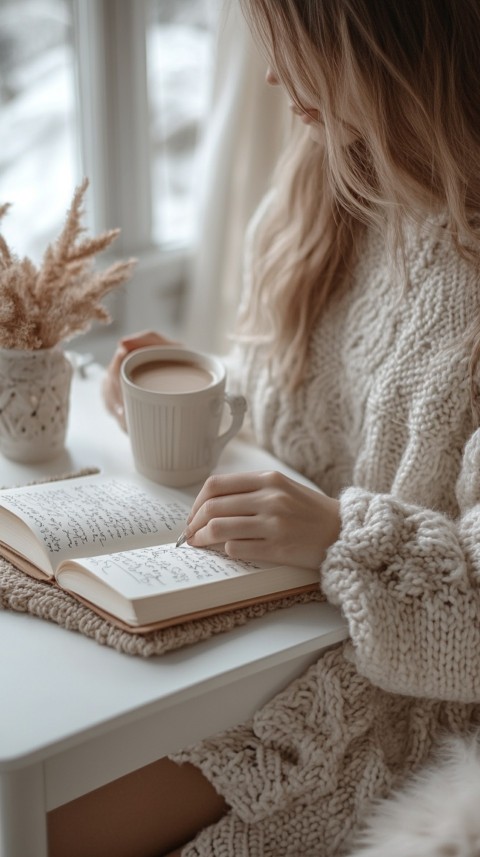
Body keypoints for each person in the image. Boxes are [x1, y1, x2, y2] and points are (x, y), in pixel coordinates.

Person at [48, 0, 480, 855]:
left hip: (379, 706)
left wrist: (336, 534)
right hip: (268, 643)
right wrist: (206, 395)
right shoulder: (336, 182)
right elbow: (319, 417)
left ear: (384, 37)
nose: (274, 75)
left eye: (294, 43)